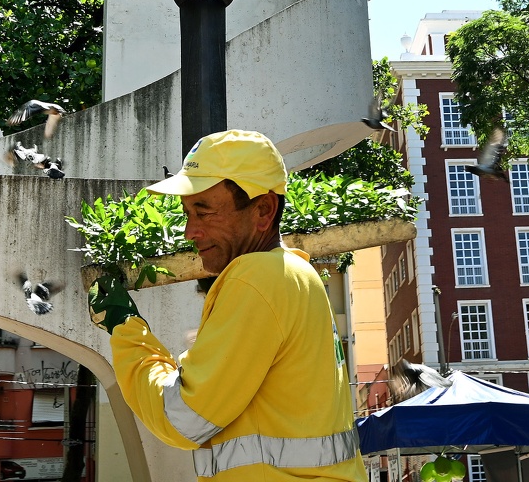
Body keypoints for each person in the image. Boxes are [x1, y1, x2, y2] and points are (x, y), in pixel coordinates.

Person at [91, 129, 364, 481]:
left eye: (203, 212)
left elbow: (182, 419)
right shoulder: (295, 272)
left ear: (263, 210)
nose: (190, 231)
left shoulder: (254, 277)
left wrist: (124, 326)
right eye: (188, 213)